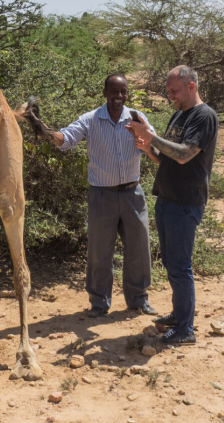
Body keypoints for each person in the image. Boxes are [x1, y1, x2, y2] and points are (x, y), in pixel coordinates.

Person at [28, 74, 158, 318]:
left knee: (139, 250)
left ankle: (139, 300)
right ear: (105, 93)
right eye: (114, 91)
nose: (119, 96)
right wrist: (43, 129)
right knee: (100, 252)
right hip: (102, 195)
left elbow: (153, 142)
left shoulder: (136, 117)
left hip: (133, 193)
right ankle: (99, 303)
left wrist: (146, 139)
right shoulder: (90, 120)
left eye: (123, 92)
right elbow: (66, 139)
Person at [125, 65, 218, 345]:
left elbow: (183, 155)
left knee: (180, 267)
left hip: (185, 202)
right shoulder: (179, 115)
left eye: (174, 91)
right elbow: (166, 158)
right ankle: (179, 316)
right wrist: (147, 147)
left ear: (191, 86)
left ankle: (186, 330)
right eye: (168, 91)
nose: (170, 96)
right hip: (167, 199)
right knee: (171, 263)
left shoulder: (205, 116)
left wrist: (152, 136)